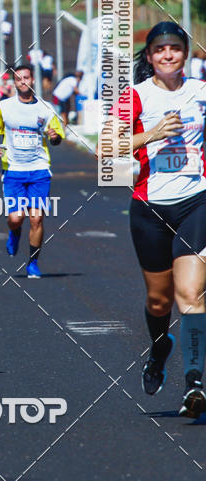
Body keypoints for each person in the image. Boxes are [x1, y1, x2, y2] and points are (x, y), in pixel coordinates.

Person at [100, 22, 206, 418]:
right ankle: (160, 347)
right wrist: (152, 134)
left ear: (186, 54)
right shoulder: (135, 97)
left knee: (190, 295)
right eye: (159, 50)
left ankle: (194, 383)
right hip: (150, 207)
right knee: (159, 300)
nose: (167, 55)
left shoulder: (201, 92)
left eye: (175, 49)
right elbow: (103, 150)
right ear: (149, 57)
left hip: (197, 201)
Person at [0, 64, 64, 278]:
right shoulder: (5, 107)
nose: (23, 82)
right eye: (18, 78)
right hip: (13, 170)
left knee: (36, 219)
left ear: (32, 80)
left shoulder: (45, 108)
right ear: (14, 82)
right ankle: (14, 232)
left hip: (39, 169)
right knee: (16, 218)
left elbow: (57, 137)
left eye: (26, 78)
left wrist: (54, 136)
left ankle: (32, 263)